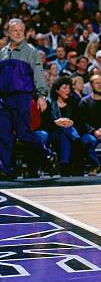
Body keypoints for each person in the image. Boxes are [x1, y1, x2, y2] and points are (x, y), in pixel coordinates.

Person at [0, 18, 57, 177]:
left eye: (20, 31)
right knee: (3, 133)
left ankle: (46, 153)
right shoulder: (2, 53)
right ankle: (7, 169)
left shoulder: (30, 51)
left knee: (23, 133)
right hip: (4, 100)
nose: (18, 33)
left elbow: (38, 74)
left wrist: (41, 95)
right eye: (14, 30)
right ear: (8, 33)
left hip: (22, 97)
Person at [36, 76, 86, 176]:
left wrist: (71, 122)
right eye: (64, 88)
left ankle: (65, 165)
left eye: (69, 88)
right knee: (65, 130)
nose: (68, 91)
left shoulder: (74, 102)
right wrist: (56, 122)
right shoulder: (49, 104)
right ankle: (77, 142)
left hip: (66, 134)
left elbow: (80, 122)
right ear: (57, 90)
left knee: (65, 133)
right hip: (53, 133)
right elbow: (43, 124)